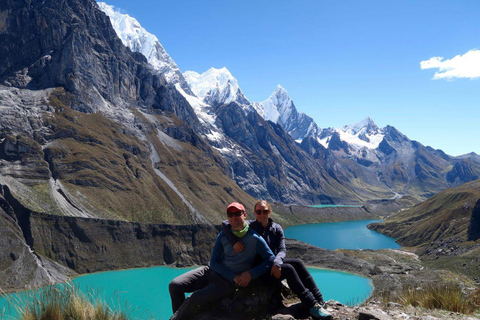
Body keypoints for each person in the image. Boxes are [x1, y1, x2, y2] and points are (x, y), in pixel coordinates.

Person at [223, 200, 332, 319]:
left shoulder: (276, 228)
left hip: (272, 265)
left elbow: (282, 249)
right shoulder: (250, 227)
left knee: (298, 263)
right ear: (254, 213)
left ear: (269, 212)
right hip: (259, 271)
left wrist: (277, 262)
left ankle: (320, 300)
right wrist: (234, 241)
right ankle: (312, 305)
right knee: (289, 269)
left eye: (265, 211)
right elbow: (225, 223)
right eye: (258, 212)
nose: (262, 214)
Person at [169, 202, 275, 320]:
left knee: (193, 299)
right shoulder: (224, 236)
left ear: (244, 214)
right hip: (210, 272)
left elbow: (270, 259)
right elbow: (214, 262)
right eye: (230, 214)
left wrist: (250, 274)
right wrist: (233, 276)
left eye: (237, 214)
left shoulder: (255, 239)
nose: (234, 217)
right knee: (175, 285)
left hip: (225, 283)